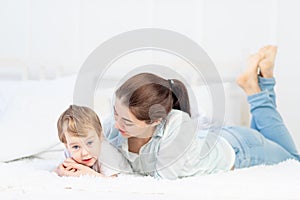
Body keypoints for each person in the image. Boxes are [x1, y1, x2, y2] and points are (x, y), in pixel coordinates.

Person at [102, 45, 300, 180]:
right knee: (272, 141)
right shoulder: (117, 121)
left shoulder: (177, 124)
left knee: (294, 160)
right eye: (115, 113)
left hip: (242, 150)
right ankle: (262, 81)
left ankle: (257, 87)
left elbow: (162, 179)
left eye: (127, 122)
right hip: (220, 137)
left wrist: (104, 176)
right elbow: (91, 143)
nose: (116, 123)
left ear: (156, 120)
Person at [55, 105, 132, 177]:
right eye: (76, 147)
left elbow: (113, 181)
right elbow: (58, 170)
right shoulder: (68, 152)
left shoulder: (105, 153)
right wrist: (62, 172)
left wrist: (87, 172)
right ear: (66, 145)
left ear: (100, 136)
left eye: (89, 143)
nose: (85, 153)